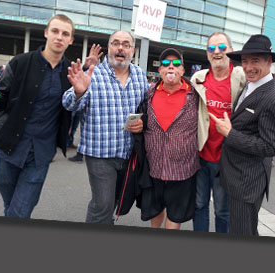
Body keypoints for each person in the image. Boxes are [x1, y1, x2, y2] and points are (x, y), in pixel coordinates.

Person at [0, 14, 75, 218]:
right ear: (46, 33)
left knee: (20, 211)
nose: (59, 37)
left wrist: (80, 91)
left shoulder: (71, 72)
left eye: (65, 33)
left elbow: (75, 106)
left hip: (40, 154)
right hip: (7, 147)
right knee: (10, 205)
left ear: (71, 40)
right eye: (55, 31)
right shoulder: (21, 62)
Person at [62, 30, 148, 224]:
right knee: (102, 204)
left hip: (128, 154)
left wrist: (143, 124)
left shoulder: (141, 77)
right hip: (99, 154)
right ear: (109, 47)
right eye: (116, 43)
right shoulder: (93, 74)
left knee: (116, 202)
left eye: (126, 44)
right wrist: (78, 92)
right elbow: (67, 103)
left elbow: (147, 109)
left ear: (132, 50)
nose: (120, 48)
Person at [209, 34, 275, 236]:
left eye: (255, 61)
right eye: (245, 61)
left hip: (248, 182)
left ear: (269, 62)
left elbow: (269, 147)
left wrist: (229, 133)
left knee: (243, 232)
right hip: (236, 174)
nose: (248, 67)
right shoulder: (250, 83)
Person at [190, 32, 246, 233]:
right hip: (201, 156)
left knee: (223, 211)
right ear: (207, 54)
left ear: (231, 51)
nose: (217, 52)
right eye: (212, 49)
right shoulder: (198, 79)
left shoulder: (242, 77)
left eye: (222, 48)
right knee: (199, 205)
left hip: (227, 159)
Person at [140, 48, 200, 230]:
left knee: (176, 214)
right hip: (154, 167)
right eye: (166, 64)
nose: (171, 67)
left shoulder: (196, 95)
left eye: (176, 63)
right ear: (160, 70)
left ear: (183, 70)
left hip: (183, 169)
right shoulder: (149, 93)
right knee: (154, 210)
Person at [67, 44, 103, 163]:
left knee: (80, 127)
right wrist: (87, 66)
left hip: (87, 109)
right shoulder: (71, 68)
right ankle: (71, 144)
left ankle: (79, 153)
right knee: (76, 126)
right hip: (76, 102)